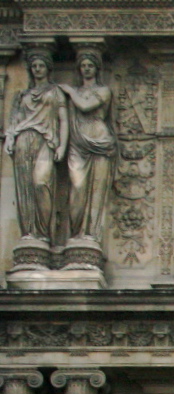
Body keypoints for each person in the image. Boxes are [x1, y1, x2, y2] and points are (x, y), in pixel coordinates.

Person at [5, 47, 66, 245]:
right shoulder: (23, 95)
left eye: (41, 66)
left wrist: (62, 146)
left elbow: (63, 120)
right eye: (34, 66)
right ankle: (30, 233)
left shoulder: (55, 92)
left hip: (45, 141)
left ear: (48, 69)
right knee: (26, 188)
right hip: (23, 139)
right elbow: (14, 121)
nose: (37, 69)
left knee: (41, 183)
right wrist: (9, 138)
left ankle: (43, 233)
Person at [59, 46, 112, 245]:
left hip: (98, 140)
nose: (87, 69)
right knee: (78, 188)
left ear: (97, 68)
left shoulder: (103, 90)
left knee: (96, 193)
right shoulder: (77, 92)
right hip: (77, 142)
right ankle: (76, 234)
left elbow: (85, 106)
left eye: (90, 65)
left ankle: (90, 235)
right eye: (83, 66)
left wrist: (70, 91)